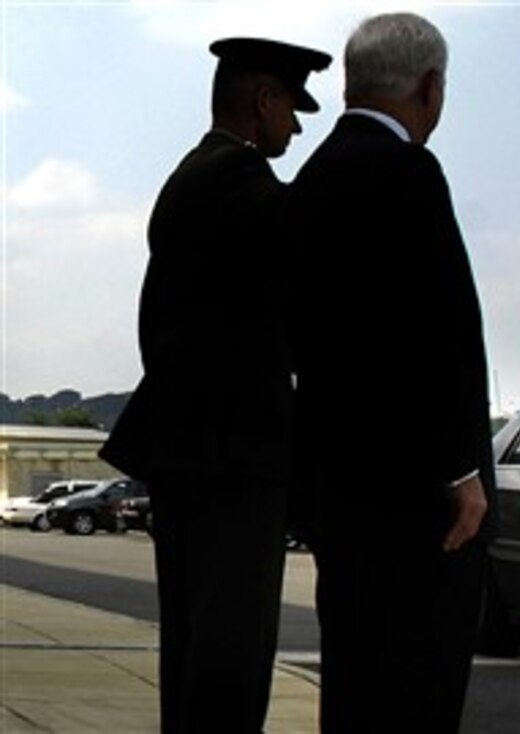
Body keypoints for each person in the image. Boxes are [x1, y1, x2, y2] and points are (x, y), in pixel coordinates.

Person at [99, 37, 331, 733]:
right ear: (262, 101)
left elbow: (160, 325)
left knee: (195, 648)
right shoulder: (247, 191)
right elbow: (294, 316)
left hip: (188, 453)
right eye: (291, 107)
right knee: (234, 656)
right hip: (235, 459)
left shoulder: (188, 182)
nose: (294, 125)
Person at [289, 13, 494, 733]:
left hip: (341, 490)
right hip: (416, 501)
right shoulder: (406, 172)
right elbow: (428, 336)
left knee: (354, 681)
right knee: (417, 683)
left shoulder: (308, 182)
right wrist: (459, 470)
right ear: (430, 87)